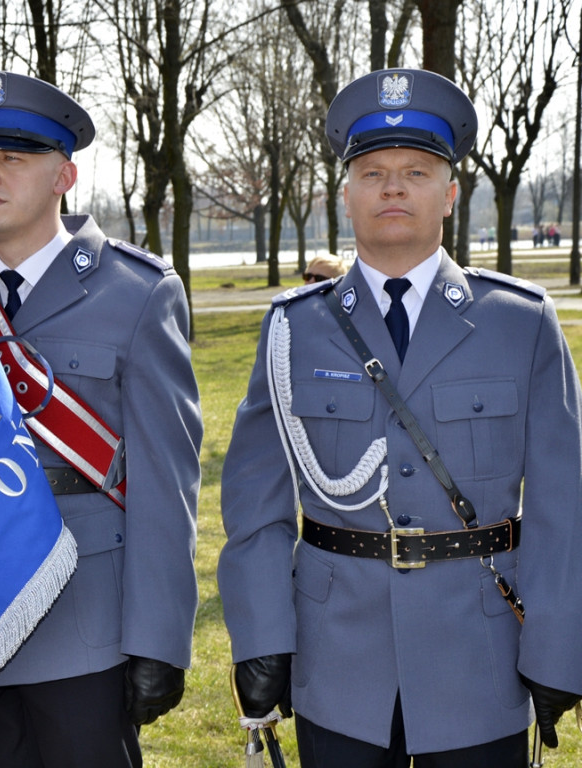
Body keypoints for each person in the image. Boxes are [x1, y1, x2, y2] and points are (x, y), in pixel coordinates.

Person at [218, 68, 582, 767]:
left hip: (482, 656)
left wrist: (557, 646)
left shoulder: (521, 322)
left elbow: (565, 506)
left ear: (449, 194)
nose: (392, 187)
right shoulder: (294, 328)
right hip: (339, 659)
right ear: (345, 195)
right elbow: (254, 505)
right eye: (373, 171)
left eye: (416, 171)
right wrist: (262, 637)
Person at [0, 71, 203, 768]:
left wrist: (159, 640)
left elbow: (165, 486)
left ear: (64, 175)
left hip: (86, 621)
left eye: (13, 159)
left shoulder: (137, 293)